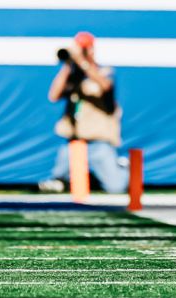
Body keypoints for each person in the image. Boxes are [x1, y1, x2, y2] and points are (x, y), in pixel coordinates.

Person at [38, 32, 128, 194]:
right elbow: (53, 96)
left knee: (116, 188)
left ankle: (120, 167)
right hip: (75, 141)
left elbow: (105, 87)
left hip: (99, 141)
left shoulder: (104, 71)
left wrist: (82, 61)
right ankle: (89, 177)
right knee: (58, 182)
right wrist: (68, 65)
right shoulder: (73, 77)